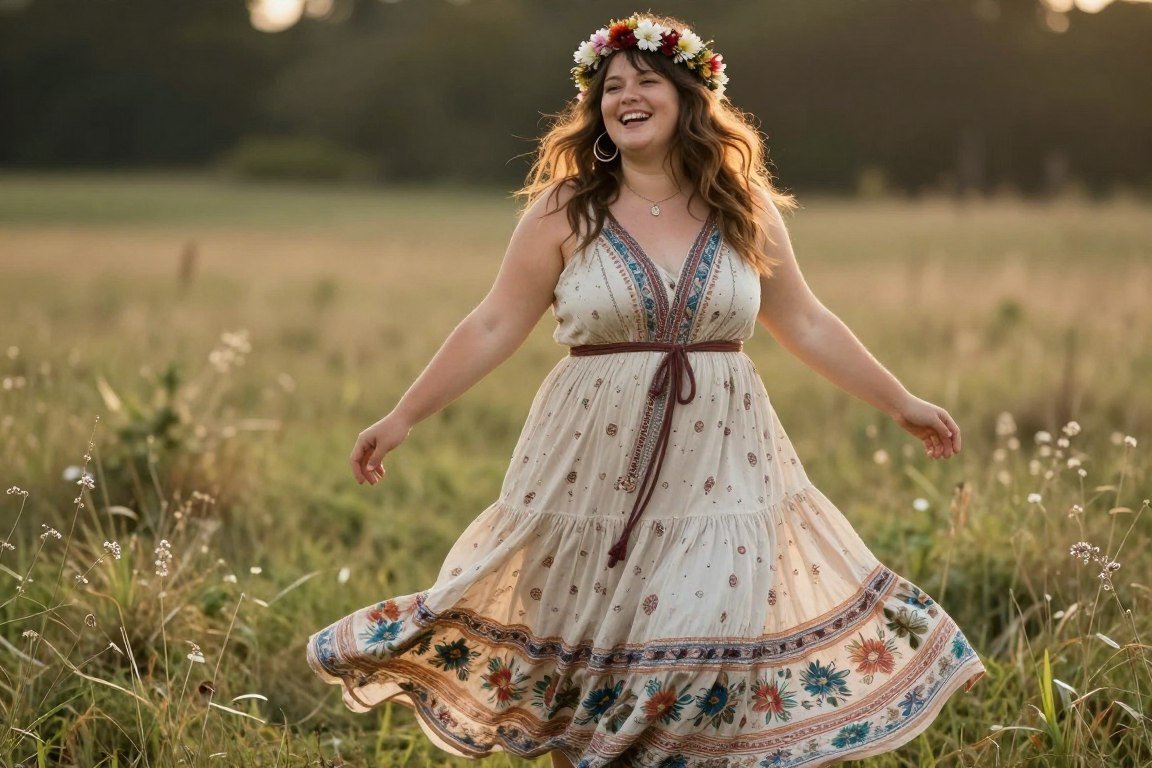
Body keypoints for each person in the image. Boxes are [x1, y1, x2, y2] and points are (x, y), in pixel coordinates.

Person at [308, 12, 984, 768]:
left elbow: (809, 322)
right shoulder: (565, 210)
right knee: (583, 657)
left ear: (689, 96)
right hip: (587, 468)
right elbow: (495, 323)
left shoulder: (744, 208)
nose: (624, 96)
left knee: (705, 645)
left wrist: (902, 402)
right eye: (610, 87)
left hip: (722, 466)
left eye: (645, 81)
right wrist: (404, 415)